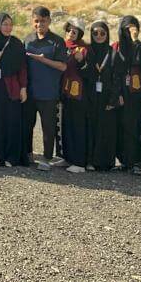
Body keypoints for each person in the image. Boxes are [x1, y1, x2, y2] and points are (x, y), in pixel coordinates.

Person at [24, 6, 67, 171]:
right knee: (27, 125)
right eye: (36, 21)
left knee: (48, 128)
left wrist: (44, 60)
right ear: (32, 21)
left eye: (43, 21)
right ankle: (27, 155)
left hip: (49, 93)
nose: (39, 24)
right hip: (30, 92)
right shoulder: (27, 40)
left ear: (49, 21)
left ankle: (47, 158)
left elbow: (63, 66)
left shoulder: (57, 41)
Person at [0, 12, 28, 167]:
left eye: (10, 24)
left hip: (11, 88)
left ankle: (11, 156)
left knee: (11, 121)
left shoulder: (16, 43)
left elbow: (23, 67)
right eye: (5, 24)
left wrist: (23, 87)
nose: (8, 27)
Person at [113, 15, 141, 175]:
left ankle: (136, 162)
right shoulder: (116, 47)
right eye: (128, 28)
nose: (131, 30)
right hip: (120, 93)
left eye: (134, 27)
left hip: (136, 95)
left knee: (134, 128)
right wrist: (116, 94)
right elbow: (113, 72)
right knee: (120, 128)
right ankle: (124, 161)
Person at [81, 20, 120, 171]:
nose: (99, 36)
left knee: (105, 128)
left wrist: (114, 98)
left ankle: (104, 162)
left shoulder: (112, 53)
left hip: (106, 96)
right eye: (95, 33)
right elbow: (83, 72)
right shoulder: (88, 51)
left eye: (102, 33)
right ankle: (89, 160)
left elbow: (117, 77)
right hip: (90, 95)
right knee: (90, 126)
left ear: (107, 34)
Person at [60, 19, 90, 173]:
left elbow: (88, 72)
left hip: (79, 92)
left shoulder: (84, 49)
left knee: (77, 126)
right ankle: (67, 157)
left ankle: (79, 162)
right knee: (66, 125)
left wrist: (82, 61)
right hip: (65, 91)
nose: (71, 33)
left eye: (75, 31)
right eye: (69, 30)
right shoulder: (63, 45)